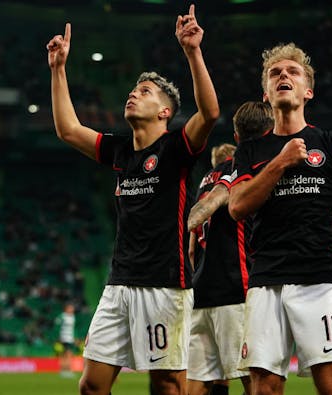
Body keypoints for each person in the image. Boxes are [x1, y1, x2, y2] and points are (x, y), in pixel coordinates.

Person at [47, 4, 219, 395]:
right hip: (119, 284)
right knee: (91, 385)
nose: (132, 95)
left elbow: (209, 112)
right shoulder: (121, 152)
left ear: (164, 112)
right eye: (133, 90)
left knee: (167, 386)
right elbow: (68, 130)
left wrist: (193, 50)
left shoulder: (177, 148)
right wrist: (58, 69)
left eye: (144, 92)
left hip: (165, 286)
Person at [227, 43, 332, 395]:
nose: (283, 76)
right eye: (275, 73)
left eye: (292, 72)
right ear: (266, 93)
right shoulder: (250, 151)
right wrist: (282, 161)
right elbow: (237, 207)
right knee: (264, 388)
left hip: (319, 279)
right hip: (266, 281)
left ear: (308, 90)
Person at [186, 101, 274, 395]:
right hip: (235, 286)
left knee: (199, 379)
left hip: (201, 288)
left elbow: (190, 248)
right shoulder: (244, 171)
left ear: (237, 137)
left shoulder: (205, 180)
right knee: (252, 377)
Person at [56, 303, 77, 378]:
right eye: (70, 308)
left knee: (66, 354)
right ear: (66, 308)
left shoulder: (72, 317)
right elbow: (57, 326)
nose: (72, 309)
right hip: (64, 338)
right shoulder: (62, 316)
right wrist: (59, 337)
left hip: (70, 338)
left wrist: (74, 338)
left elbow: (73, 329)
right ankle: (67, 370)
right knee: (68, 354)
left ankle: (64, 370)